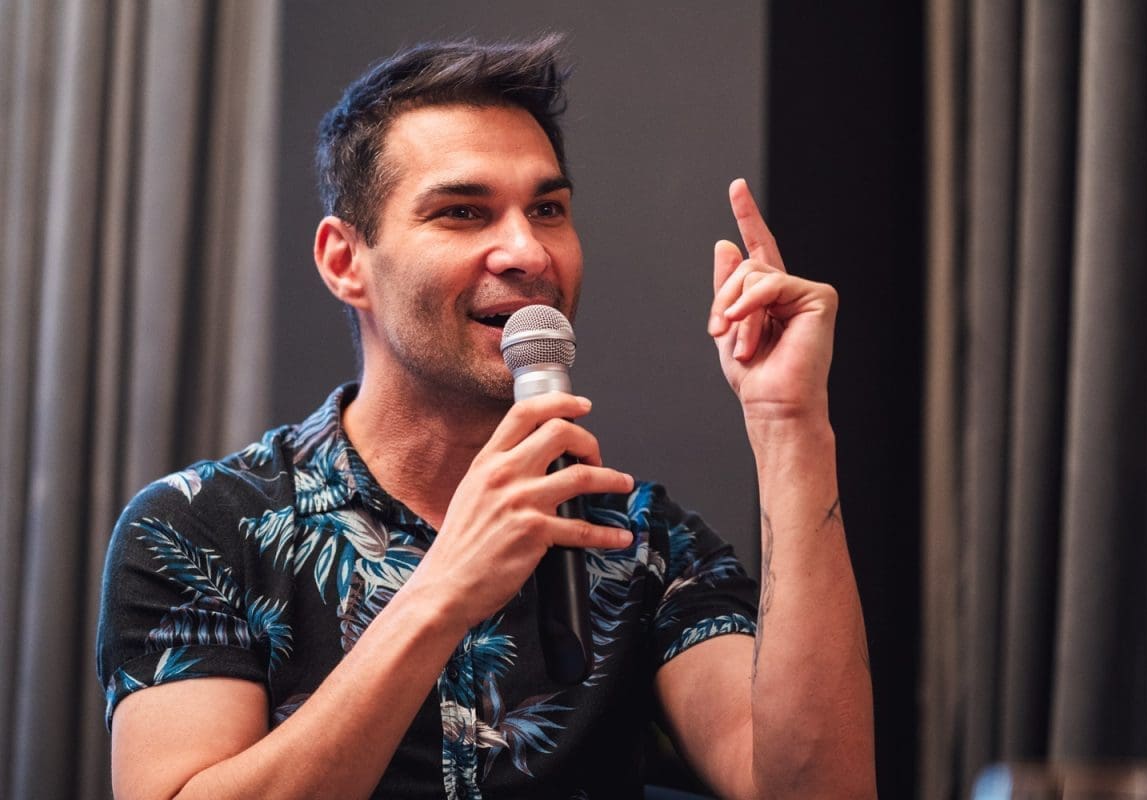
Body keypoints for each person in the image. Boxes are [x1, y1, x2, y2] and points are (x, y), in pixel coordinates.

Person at [97, 35, 876, 799]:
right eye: (464, 212)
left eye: (547, 208)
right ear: (344, 262)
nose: (527, 252)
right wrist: (443, 589)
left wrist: (790, 426)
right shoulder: (199, 530)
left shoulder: (640, 542)